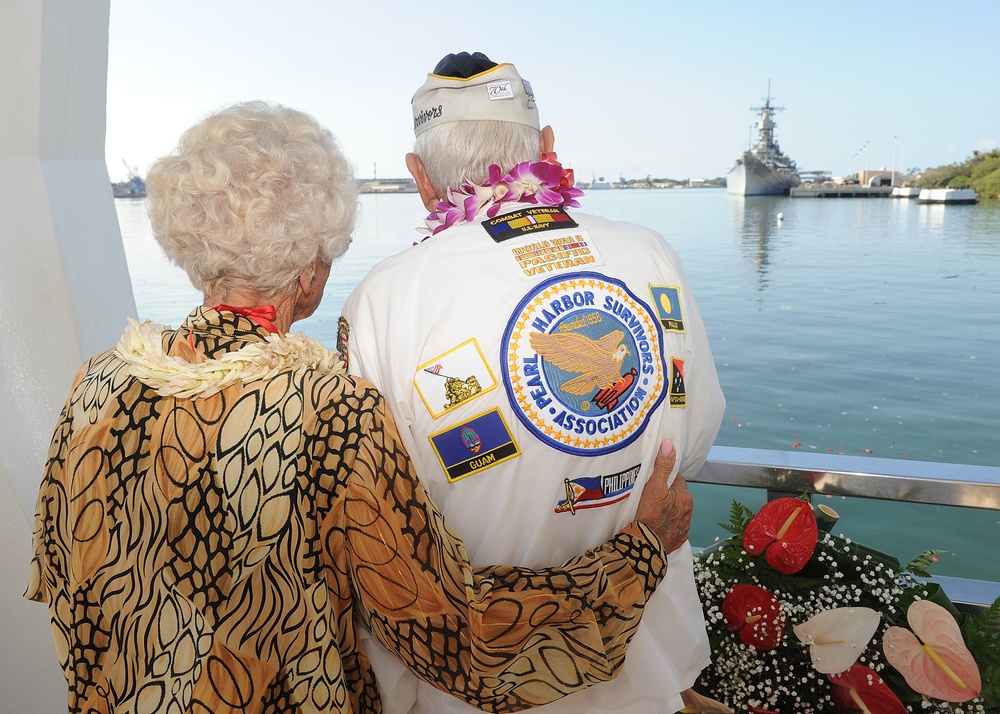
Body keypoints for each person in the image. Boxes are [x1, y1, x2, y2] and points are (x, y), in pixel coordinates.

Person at [25, 101, 695, 714]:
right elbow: (454, 639)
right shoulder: (332, 413)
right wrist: (640, 550)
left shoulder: (100, 384)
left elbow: (62, 579)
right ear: (313, 271)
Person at [340, 53, 726, 714]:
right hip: (645, 670)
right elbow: (694, 433)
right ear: (547, 150)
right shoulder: (649, 251)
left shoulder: (384, 299)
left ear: (419, 176)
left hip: (473, 688)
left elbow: (376, 524)